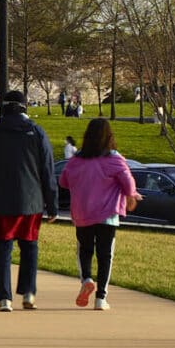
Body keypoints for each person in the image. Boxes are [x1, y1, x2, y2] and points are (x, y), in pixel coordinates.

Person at [0, 89, 58, 312]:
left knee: (3, 249)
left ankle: (4, 297)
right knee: (30, 246)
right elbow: (47, 170)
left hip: (0, 199)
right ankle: (28, 292)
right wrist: (52, 205)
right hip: (31, 200)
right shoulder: (36, 132)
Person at [58, 116, 137, 310]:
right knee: (105, 254)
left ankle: (86, 279)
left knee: (84, 250)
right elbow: (128, 183)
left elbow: (63, 182)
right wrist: (131, 196)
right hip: (108, 215)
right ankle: (101, 297)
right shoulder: (114, 159)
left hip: (82, 213)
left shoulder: (76, 160)